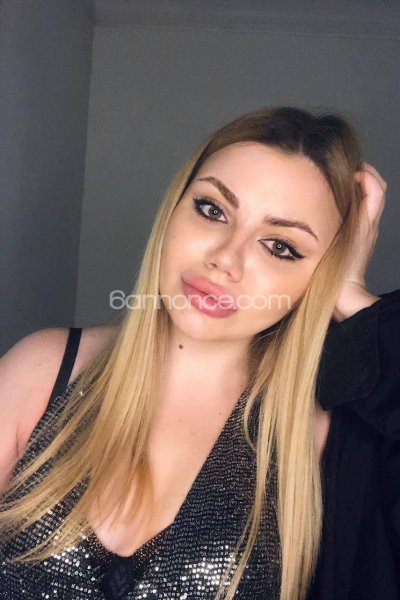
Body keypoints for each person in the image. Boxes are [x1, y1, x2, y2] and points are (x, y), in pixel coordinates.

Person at [0, 105, 399, 600]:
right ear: (173, 209)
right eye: (212, 210)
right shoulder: (41, 369)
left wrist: (353, 297)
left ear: (319, 275)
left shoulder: (326, 440)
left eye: (280, 246)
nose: (225, 259)